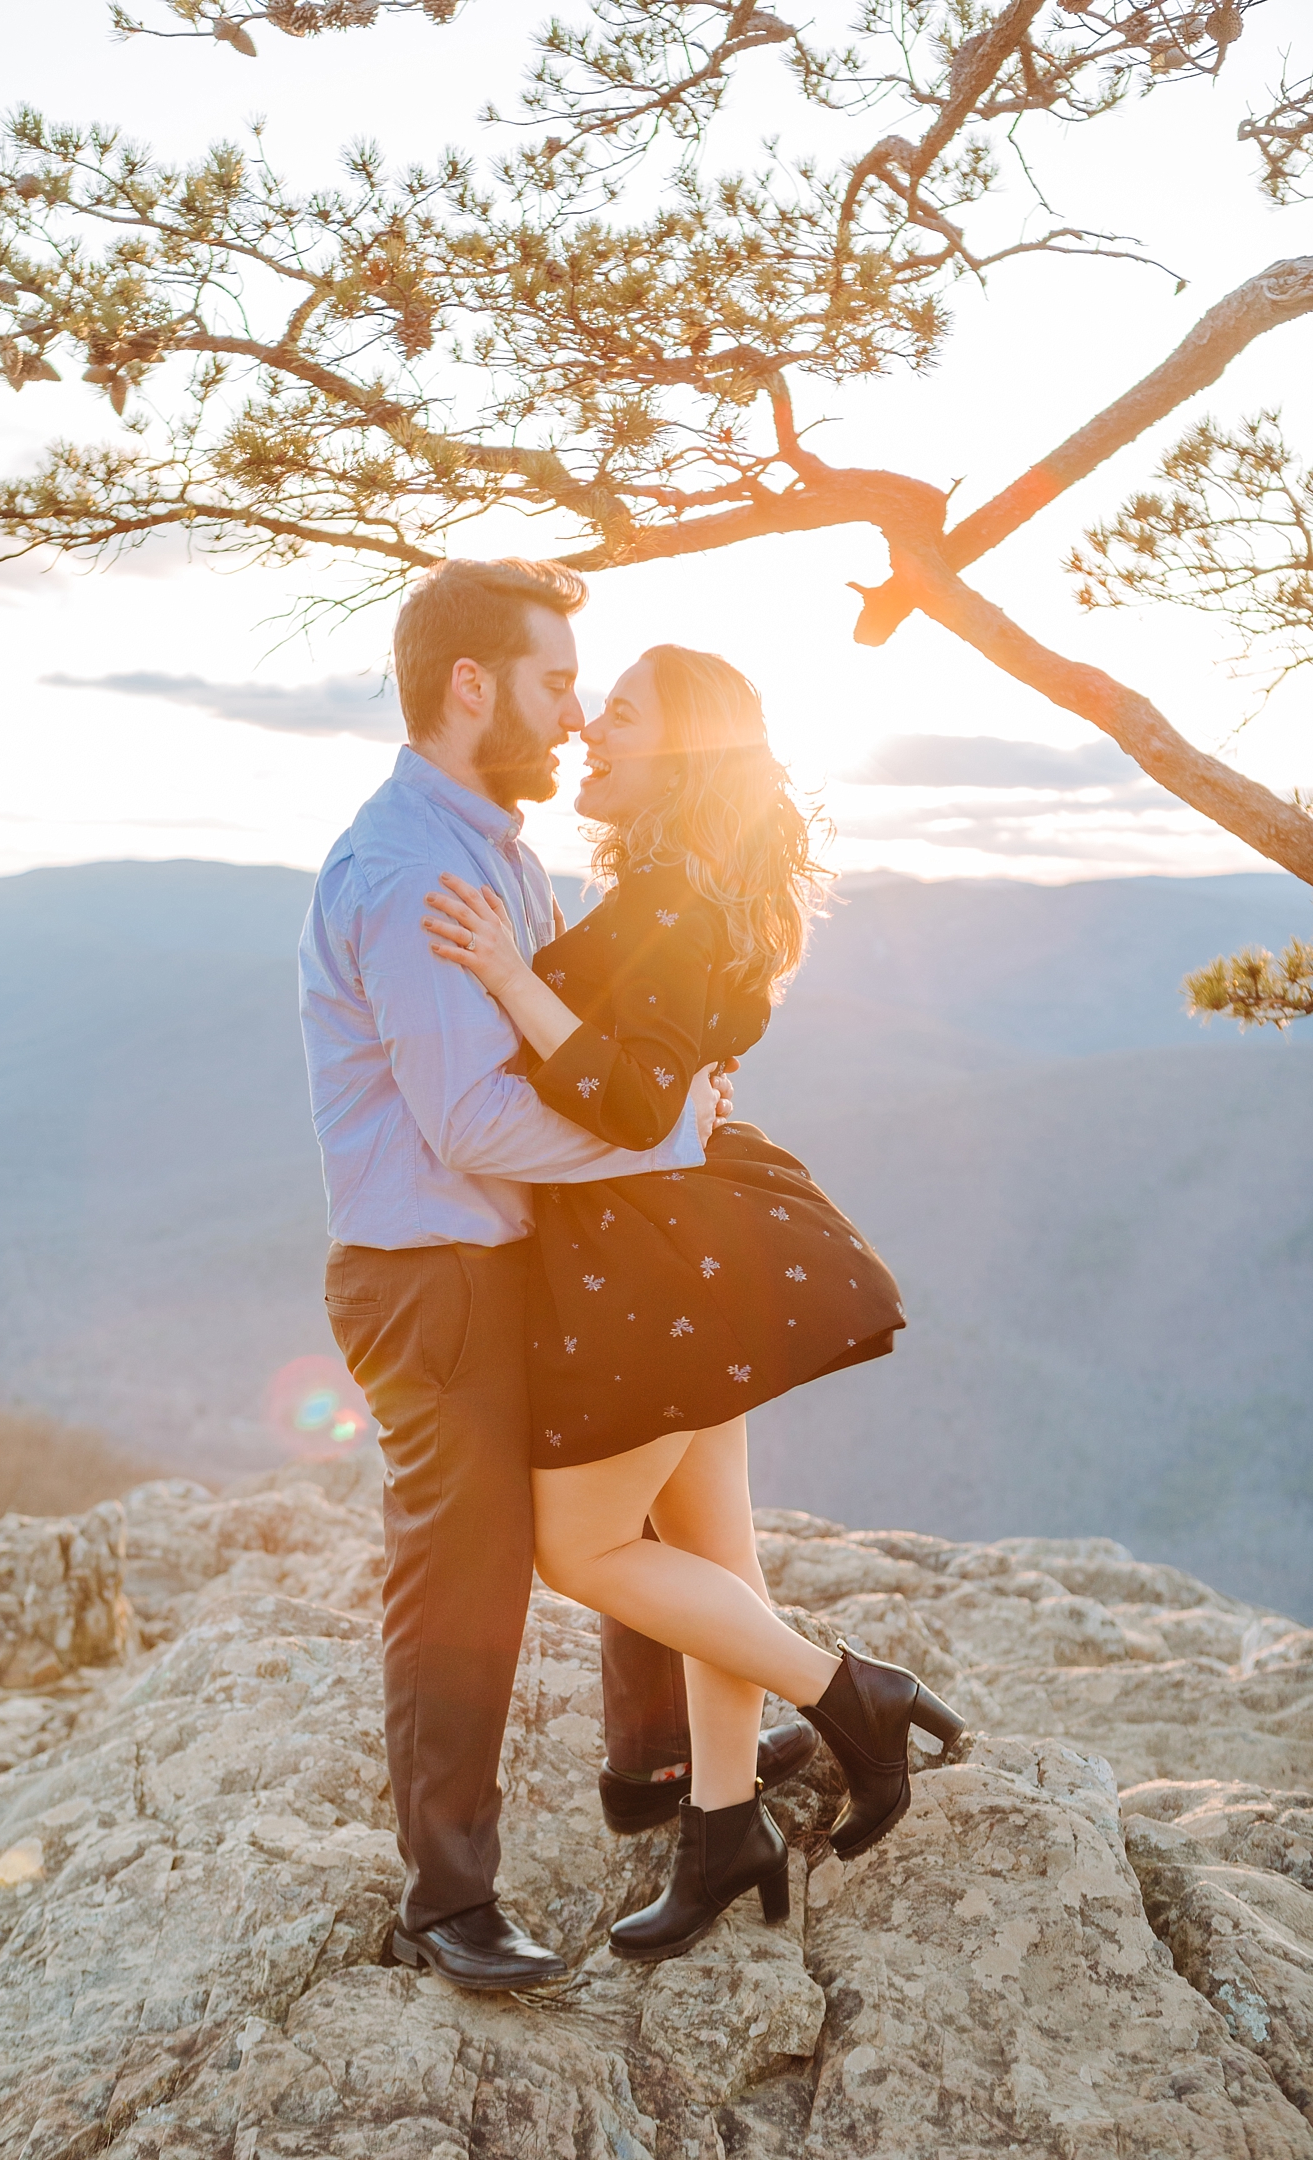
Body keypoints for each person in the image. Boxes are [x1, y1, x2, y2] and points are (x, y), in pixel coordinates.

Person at [298, 562, 817, 1996]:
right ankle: (445, 1894)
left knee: (638, 1491)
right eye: (553, 682)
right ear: (474, 687)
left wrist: (661, 1118)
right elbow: (471, 1122)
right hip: (436, 1271)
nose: (576, 712)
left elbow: (579, 1056)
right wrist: (662, 1145)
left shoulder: (499, 849)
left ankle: (659, 1767)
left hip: (519, 1249)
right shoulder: (413, 869)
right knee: (465, 1573)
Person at [423, 643, 965, 1965]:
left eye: (619, 714)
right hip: (681, 1246)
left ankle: (854, 1695)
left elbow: (620, 1095)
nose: (589, 729)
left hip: (652, 1259)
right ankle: (724, 1832)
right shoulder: (684, 881)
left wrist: (505, 971)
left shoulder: (671, 888)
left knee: (588, 1554)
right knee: (713, 1564)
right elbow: (663, 1081)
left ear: (681, 752)